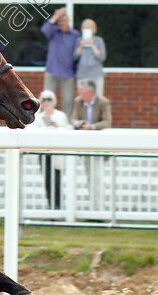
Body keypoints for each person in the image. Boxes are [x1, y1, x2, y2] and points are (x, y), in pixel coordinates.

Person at [70, 80, 112, 210]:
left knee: (98, 178)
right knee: (89, 177)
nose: (80, 92)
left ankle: (100, 209)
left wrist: (91, 127)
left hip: (99, 146)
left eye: (82, 90)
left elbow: (107, 122)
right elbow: (73, 118)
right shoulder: (78, 101)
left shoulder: (103, 102)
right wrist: (78, 123)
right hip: (85, 145)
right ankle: (93, 209)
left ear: (90, 91)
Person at [30, 90, 70, 209]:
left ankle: (58, 206)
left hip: (56, 152)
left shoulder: (60, 116)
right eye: (44, 100)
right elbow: (32, 130)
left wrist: (56, 126)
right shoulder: (38, 117)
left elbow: (67, 130)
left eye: (49, 100)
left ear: (54, 102)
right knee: (47, 181)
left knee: (56, 180)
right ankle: (51, 205)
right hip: (44, 153)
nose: (47, 102)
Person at [41, 7, 80, 117]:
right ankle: (45, 121)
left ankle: (65, 124)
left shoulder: (75, 35)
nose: (62, 23)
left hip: (68, 73)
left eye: (63, 20)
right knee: (46, 98)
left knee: (67, 101)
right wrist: (56, 16)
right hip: (52, 71)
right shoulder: (53, 33)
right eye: (59, 21)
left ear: (68, 21)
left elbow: (78, 53)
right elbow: (44, 30)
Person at [74, 18, 107, 96]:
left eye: (88, 28)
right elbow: (75, 57)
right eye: (84, 28)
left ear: (93, 29)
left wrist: (92, 45)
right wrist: (81, 46)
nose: (86, 30)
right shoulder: (79, 40)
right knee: (82, 97)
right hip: (82, 74)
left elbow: (102, 57)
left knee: (98, 97)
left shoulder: (99, 40)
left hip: (96, 74)